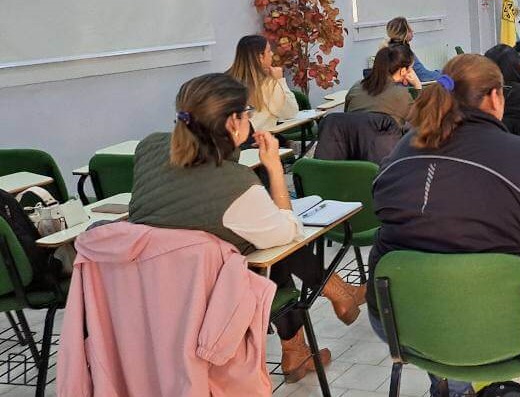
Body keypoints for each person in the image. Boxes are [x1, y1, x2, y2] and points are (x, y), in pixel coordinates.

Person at [367, 55, 520, 397]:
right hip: (515, 330)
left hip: (404, 322)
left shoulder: (402, 152)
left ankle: (456, 390)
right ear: (494, 97)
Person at [129, 73, 365, 383]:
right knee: (273, 246)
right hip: (212, 302)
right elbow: (289, 232)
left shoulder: (148, 149)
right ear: (232, 123)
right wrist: (275, 170)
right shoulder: (235, 185)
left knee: (255, 240)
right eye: (247, 112)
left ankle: (300, 343)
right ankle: (333, 295)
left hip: (151, 293)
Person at [226, 35, 298, 131]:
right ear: (260, 57)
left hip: (231, 140)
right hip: (259, 141)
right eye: (268, 51)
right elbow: (290, 112)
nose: (272, 54)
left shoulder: (225, 81)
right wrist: (280, 81)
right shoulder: (267, 83)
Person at [344, 43, 421, 125]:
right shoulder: (401, 95)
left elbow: (346, 116)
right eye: (410, 68)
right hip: (389, 137)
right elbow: (419, 121)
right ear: (403, 71)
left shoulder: (356, 87)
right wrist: (417, 86)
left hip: (353, 137)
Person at [385, 16, 440, 82]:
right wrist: (444, 72)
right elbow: (424, 77)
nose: (412, 30)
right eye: (409, 29)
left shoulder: (390, 49)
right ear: (403, 33)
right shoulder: (404, 53)